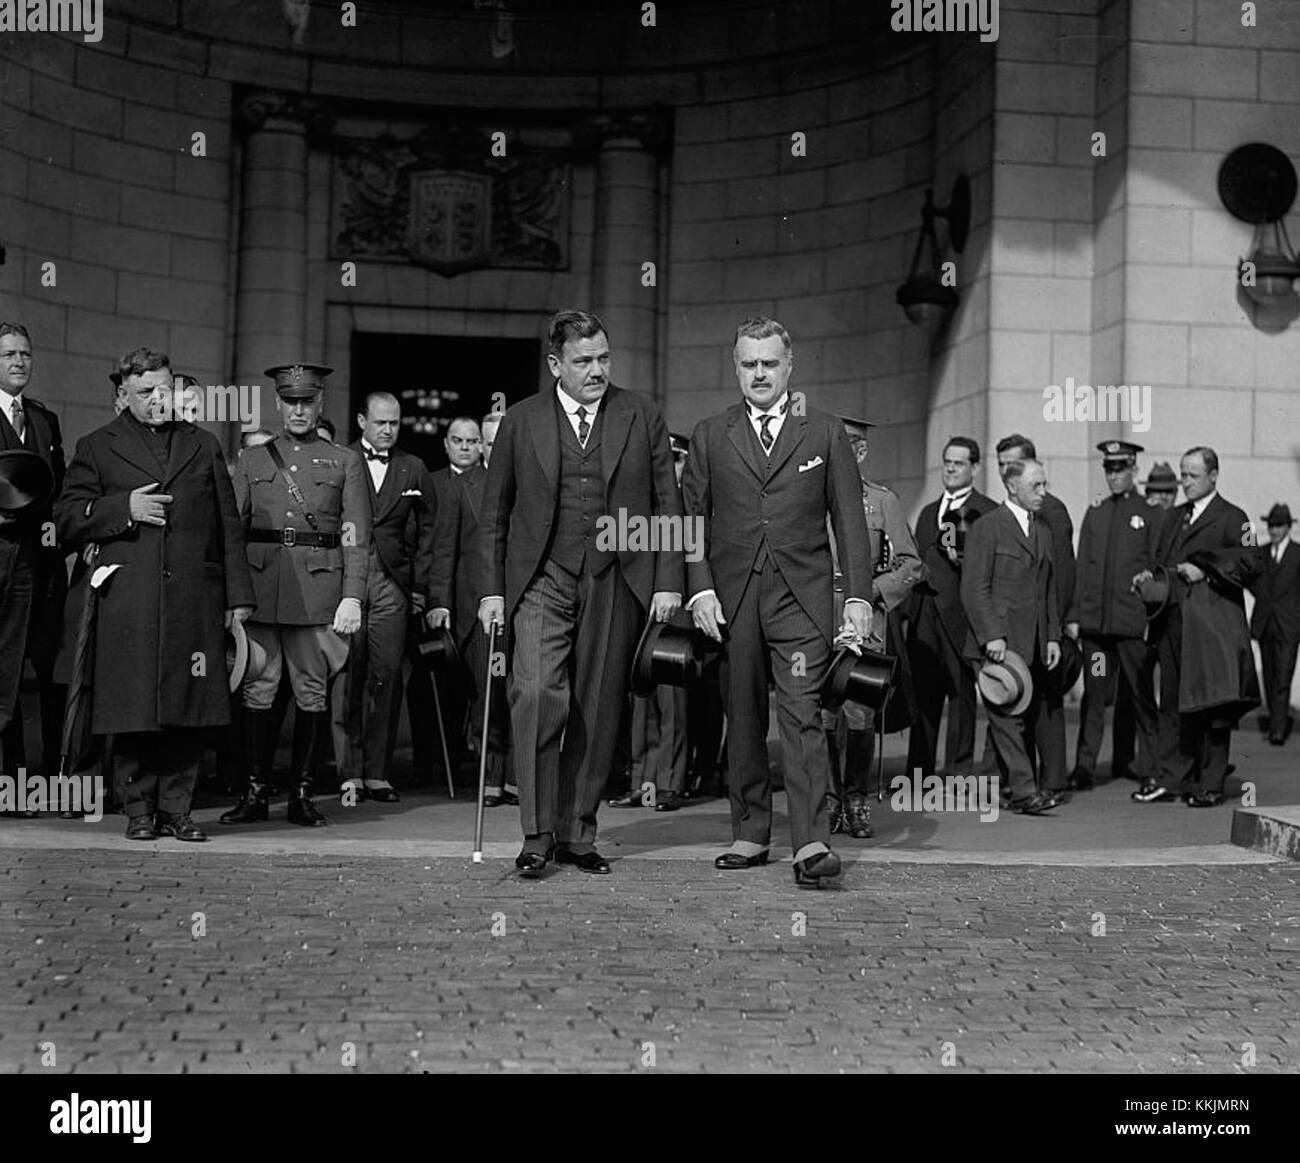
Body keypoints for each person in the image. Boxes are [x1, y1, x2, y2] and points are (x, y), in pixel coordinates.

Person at [479, 309, 682, 877]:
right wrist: (492, 592)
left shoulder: (641, 414)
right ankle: (538, 832)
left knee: (595, 707)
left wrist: (668, 581)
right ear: (555, 364)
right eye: (583, 361)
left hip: (615, 574)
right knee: (539, 693)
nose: (596, 370)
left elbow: (668, 502)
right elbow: (494, 514)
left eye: (603, 358)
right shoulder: (520, 421)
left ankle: (577, 832)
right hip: (541, 575)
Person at [683, 316, 872, 886]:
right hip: (733, 598)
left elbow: (849, 520)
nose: (760, 373)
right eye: (749, 364)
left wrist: (858, 597)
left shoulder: (824, 431)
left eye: (769, 363)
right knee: (741, 715)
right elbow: (692, 521)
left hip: (802, 597)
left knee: (802, 714)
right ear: (735, 368)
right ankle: (750, 832)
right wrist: (700, 588)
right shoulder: (711, 434)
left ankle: (811, 842)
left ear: (790, 366)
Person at [55, 347, 254, 841]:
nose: (157, 400)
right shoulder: (98, 445)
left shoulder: (202, 443)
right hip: (130, 601)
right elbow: (66, 518)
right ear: (125, 394)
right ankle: (139, 810)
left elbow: (228, 525)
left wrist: (237, 597)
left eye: (164, 390)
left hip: (193, 599)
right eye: (145, 393)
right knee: (133, 708)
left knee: (188, 708)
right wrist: (125, 507)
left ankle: (177, 810)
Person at [222, 362, 369, 827]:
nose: (299, 409)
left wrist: (352, 596)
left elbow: (356, 536)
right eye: (291, 401)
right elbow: (233, 532)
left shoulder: (344, 460)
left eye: (308, 401)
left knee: (311, 693)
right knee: (257, 691)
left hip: (318, 593)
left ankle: (302, 795)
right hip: (261, 589)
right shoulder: (253, 459)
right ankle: (254, 792)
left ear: (320, 403)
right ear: (279, 404)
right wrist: (233, 595)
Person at [1134, 447, 1259, 806]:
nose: (1185, 482)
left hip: (1211, 626)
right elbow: (1162, 562)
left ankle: (1210, 784)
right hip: (1172, 622)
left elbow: (1252, 560)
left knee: (1212, 704)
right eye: (1183, 474)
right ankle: (1174, 779)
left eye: (1192, 475)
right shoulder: (1172, 517)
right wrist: (1150, 578)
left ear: (1214, 475)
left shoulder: (1235, 517)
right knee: (1173, 702)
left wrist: (1208, 569)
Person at [824, 416, 924, 840]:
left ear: (861, 452)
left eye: (847, 446)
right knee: (823, 712)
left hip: (864, 618)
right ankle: (828, 800)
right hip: (819, 615)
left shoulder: (882, 502)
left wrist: (872, 594)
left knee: (860, 711)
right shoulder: (813, 500)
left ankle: (856, 799)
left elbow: (911, 564)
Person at [337, 392, 436, 804]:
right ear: (362, 420)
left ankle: (377, 772)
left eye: (394, 423)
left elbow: (431, 526)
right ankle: (349, 772)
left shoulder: (412, 468)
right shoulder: (341, 460)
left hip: (394, 584)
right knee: (348, 675)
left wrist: (419, 585)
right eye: (380, 422)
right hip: (350, 581)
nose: (388, 430)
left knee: (387, 676)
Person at [960, 459, 1063, 815]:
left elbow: (1048, 589)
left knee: (1009, 714)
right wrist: (992, 636)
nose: (1043, 492)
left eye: (1044, 484)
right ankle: (1024, 790)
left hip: (1030, 643)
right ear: (1012, 486)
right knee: (1005, 717)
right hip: (996, 645)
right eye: (1036, 486)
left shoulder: (1043, 530)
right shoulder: (987, 528)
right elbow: (974, 588)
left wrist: (1052, 636)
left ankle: (993, 786)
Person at [428, 409, 516, 807]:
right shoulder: (460, 488)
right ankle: (492, 775)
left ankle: (518, 775)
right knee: (490, 692)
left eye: (501, 442)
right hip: (477, 611)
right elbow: (444, 550)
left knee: (524, 691)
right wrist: (439, 603)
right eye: (488, 442)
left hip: (525, 605)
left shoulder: (529, 484)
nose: (493, 449)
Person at [0, 323, 68, 817]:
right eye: (8, 354)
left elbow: (56, 492)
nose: (19, 362)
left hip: (29, 563)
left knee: (12, 671)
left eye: (25, 353)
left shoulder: (44, 421)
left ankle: (15, 788)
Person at [1067, 441, 1161, 790]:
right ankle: (1084, 767)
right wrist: (1076, 615)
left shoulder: (1150, 513)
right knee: (1094, 695)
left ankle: (1149, 767)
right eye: (1109, 469)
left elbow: (1155, 569)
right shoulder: (1096, 512)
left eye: (1120, 468)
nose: (1114, 475)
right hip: (1098, 632)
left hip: (1131, 627)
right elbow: (1082, 567)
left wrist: (1150, 619)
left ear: (1134, 469)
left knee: (1139, 695)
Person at [906, 436, 996, 778]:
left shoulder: (987, 512)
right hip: (925, 618)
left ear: (974, 467)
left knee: (961, 697)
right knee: (925, 697)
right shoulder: (929, 512)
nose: (951, 468)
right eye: (947, 462)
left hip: (961, 618)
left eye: (959, 463)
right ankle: (920, 772)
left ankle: (958, 771)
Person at [406, 415, 484, 785]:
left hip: (476, 601)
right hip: (434, 598)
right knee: (430, 683)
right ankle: (427, 761)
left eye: (472, 441)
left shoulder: (494, 482)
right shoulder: (430, 483)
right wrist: (426, 595)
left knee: (477, 687)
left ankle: (467, 760)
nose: (465, 447)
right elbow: (424, 542)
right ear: (446, 444)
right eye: (458, 440)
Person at [1248, 503, 1300, 745]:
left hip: (1289, 625)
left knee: (1283, 674)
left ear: (1288, 527)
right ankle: (1274, 721)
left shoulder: (1298, 555)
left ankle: (1277, 728)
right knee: (1269, 675)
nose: (1274, 530)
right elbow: (1250, 579)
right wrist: (1262, 597)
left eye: (1279, 525)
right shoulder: (1261, 552)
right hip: (1266, 623)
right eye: (1271, 525)